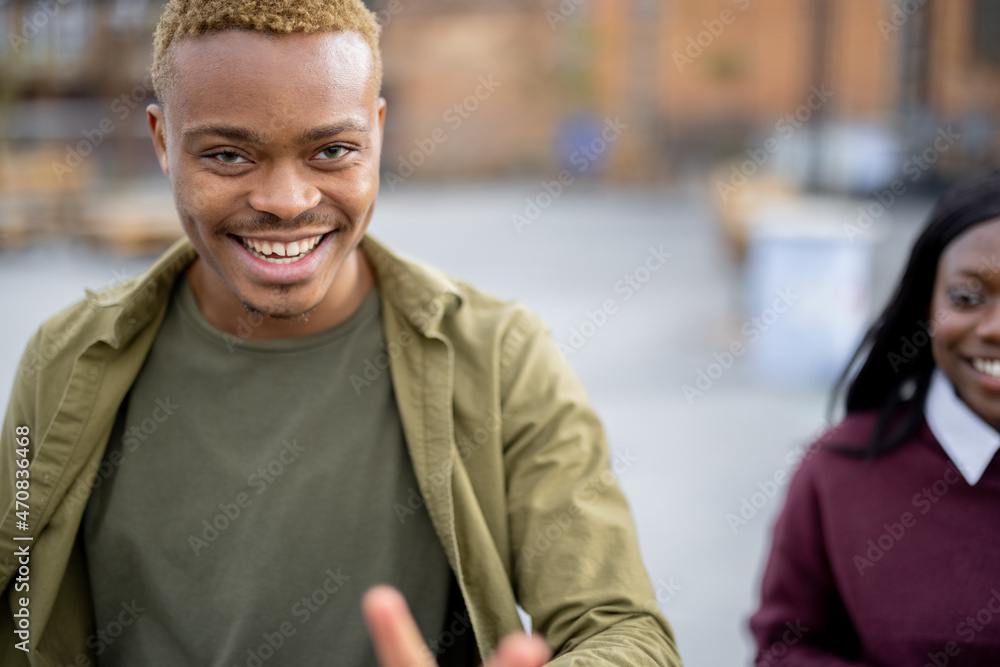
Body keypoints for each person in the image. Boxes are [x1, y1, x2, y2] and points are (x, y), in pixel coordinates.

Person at [0, 1, 682, 666]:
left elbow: (625, 631)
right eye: (230, 157)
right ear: (161, 142)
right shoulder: (64, 362)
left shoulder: (502, 359)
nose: (287, 201)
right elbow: (21, 613)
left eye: (332, 150)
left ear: (377, 134)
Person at [750, 169, 1000, 665]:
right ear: (925, 304)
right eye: (967, 297)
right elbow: (784, 648)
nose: (994, 328)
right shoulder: (839, 469)